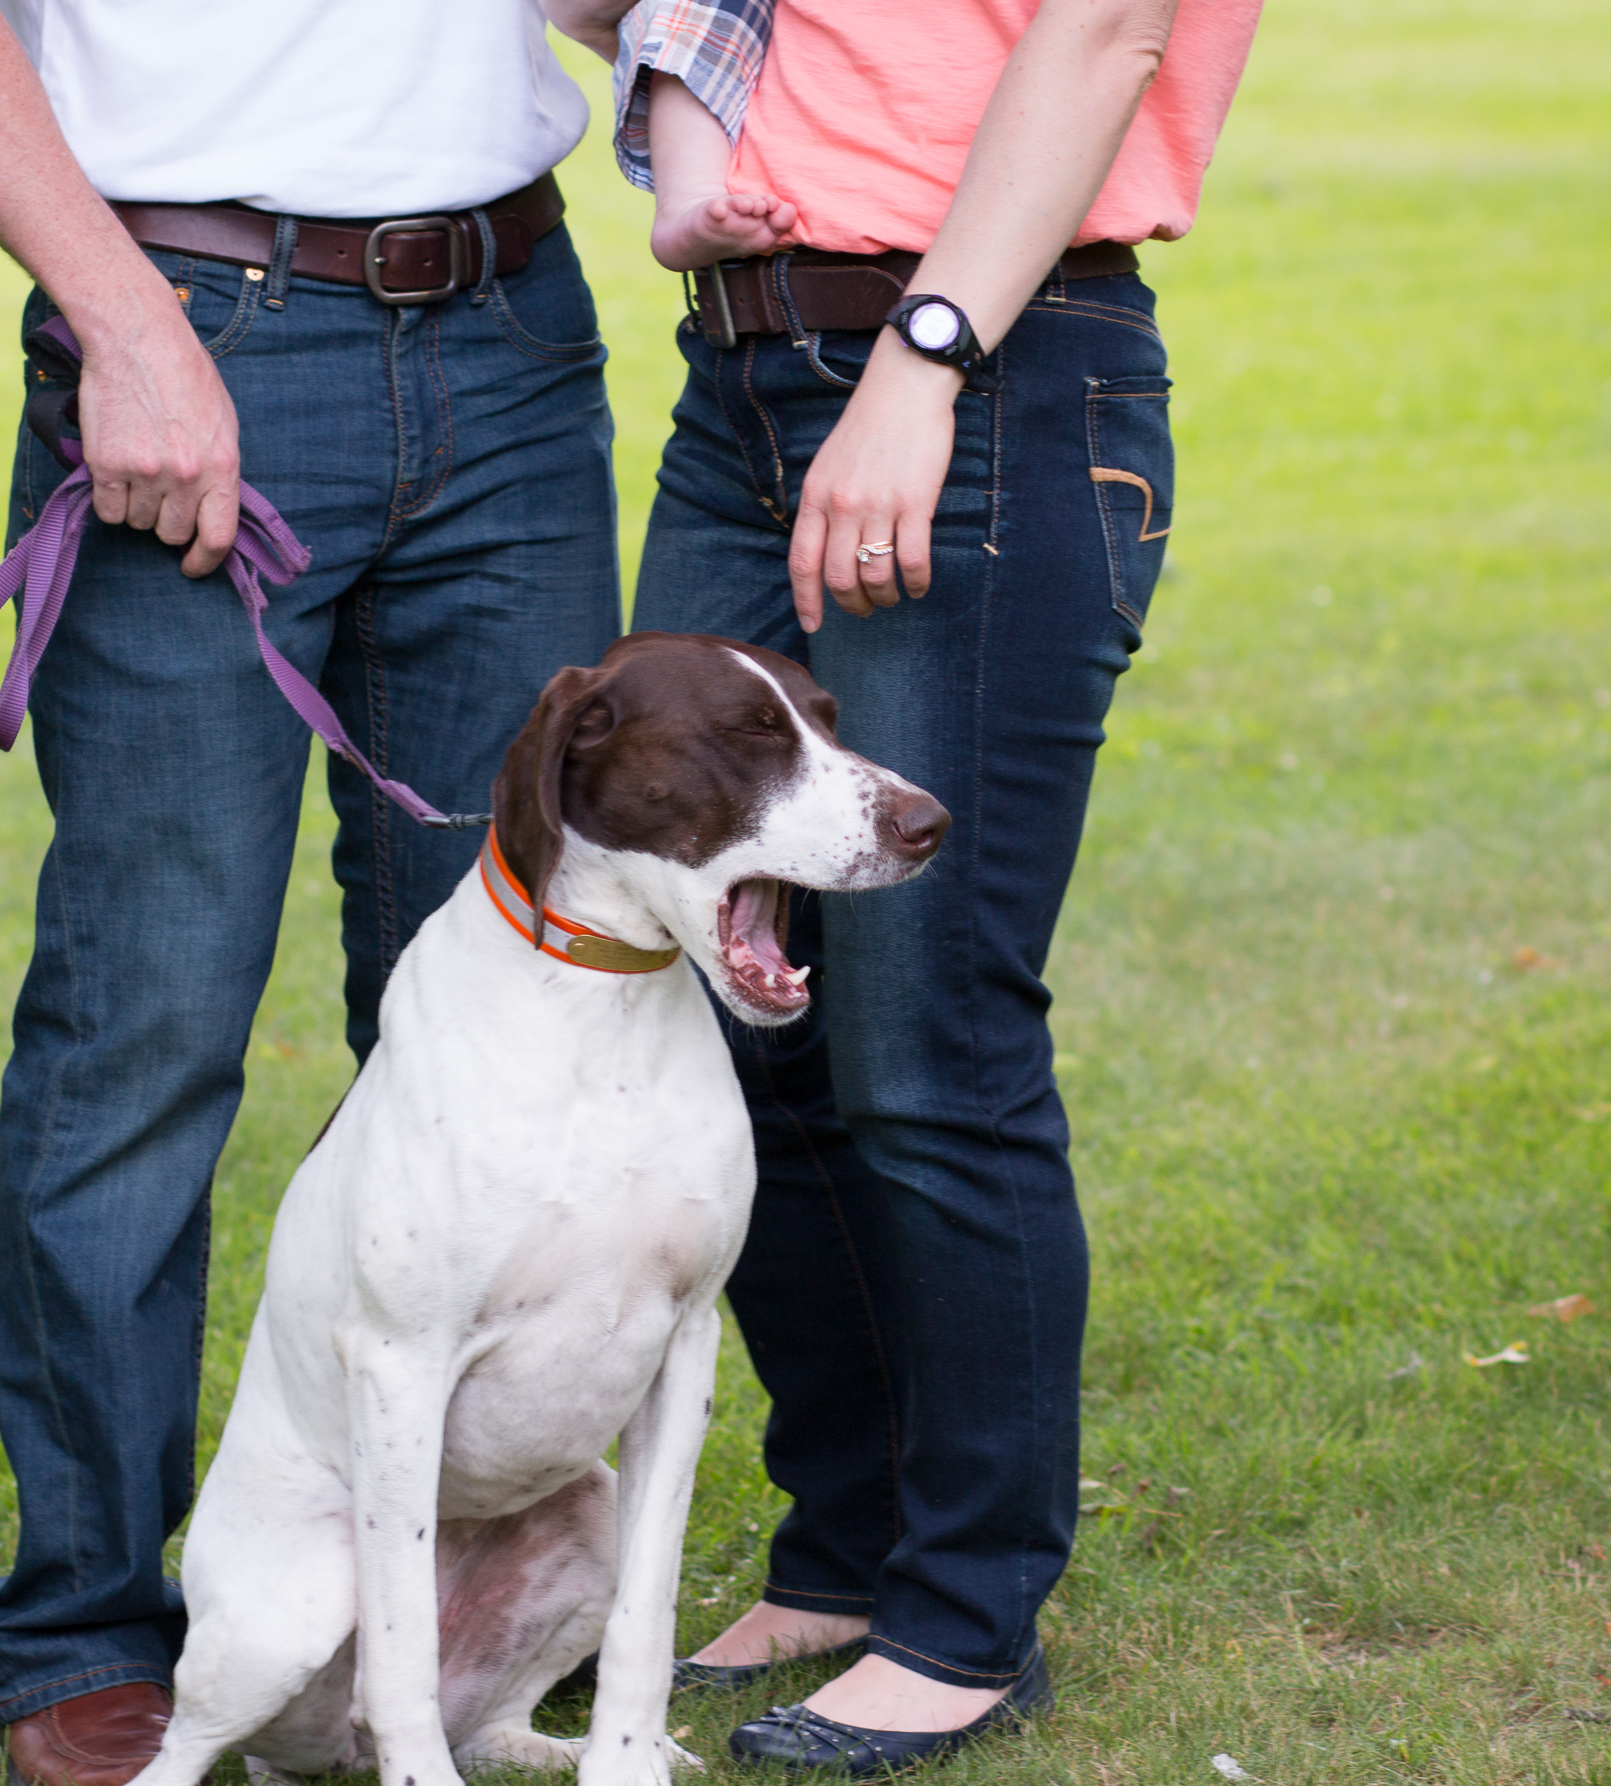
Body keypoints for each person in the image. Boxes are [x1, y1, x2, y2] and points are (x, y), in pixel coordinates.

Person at [0, 2, 628, 1779]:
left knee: (519, 1029)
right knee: (150, 1025)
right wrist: (121, 324)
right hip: (193, 326)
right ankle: (83, 1629)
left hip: (513, 331)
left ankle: (429, 1582)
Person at [617, 0, 1260, 1771]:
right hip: (740, 379)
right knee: (736, 1011)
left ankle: (967, 1613)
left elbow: (1110, 36)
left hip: (985, 368)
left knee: (924, 1037)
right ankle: (847, 1544)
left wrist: (923, 361)